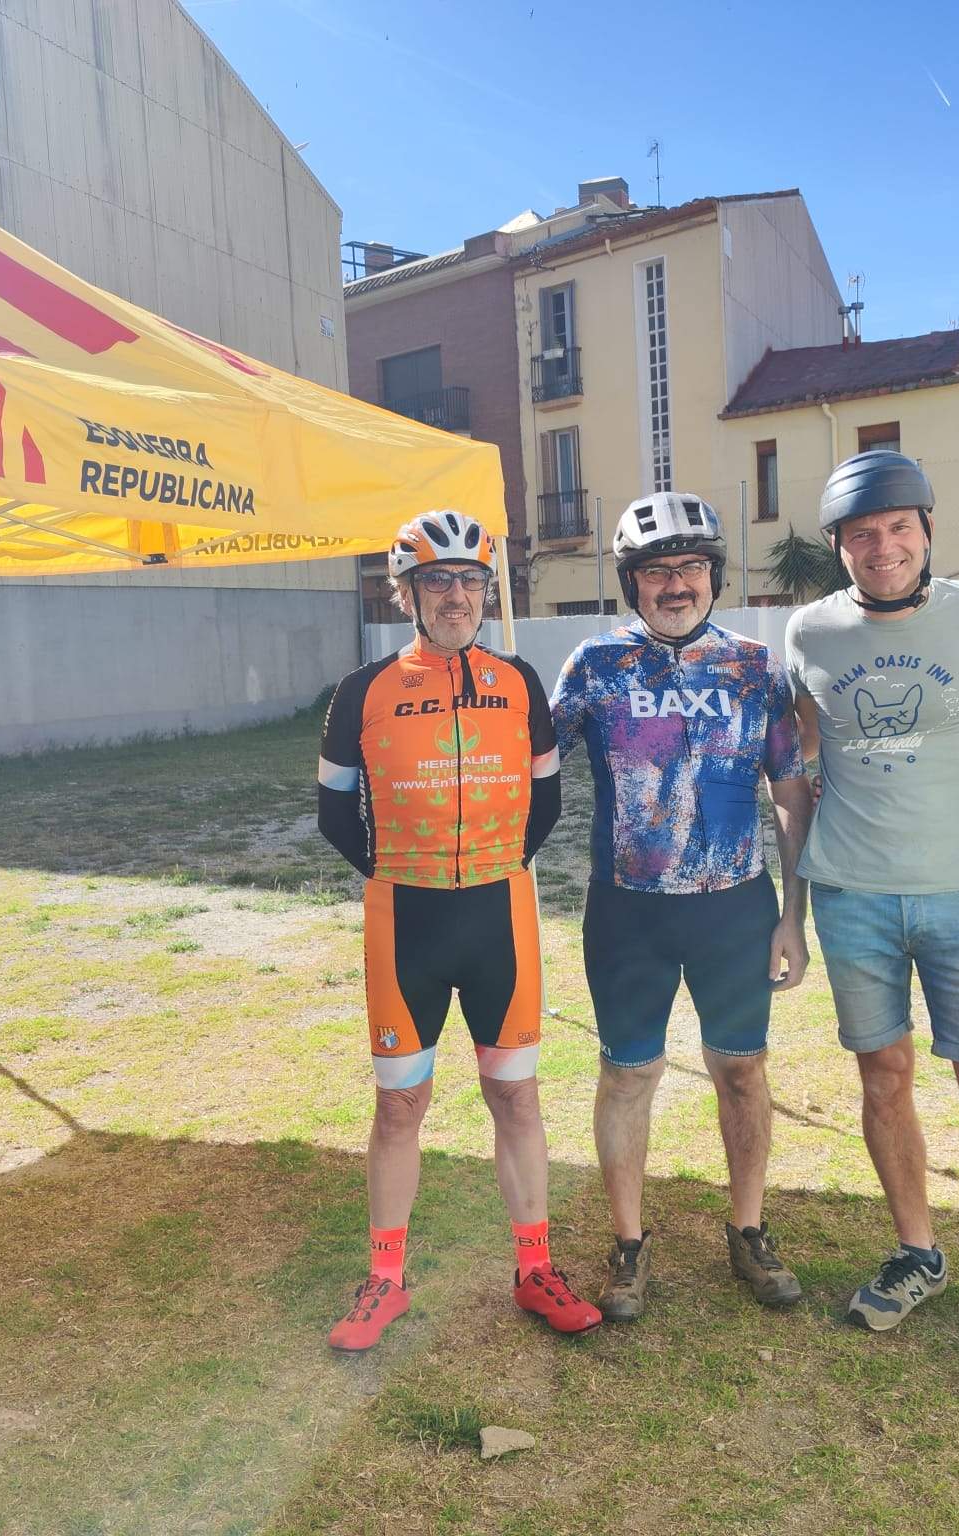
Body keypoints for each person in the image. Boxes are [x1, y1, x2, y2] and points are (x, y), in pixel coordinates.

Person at [783, 449, 959, 1378]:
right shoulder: (807, 633)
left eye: (900, 527)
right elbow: (808, 753)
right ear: (839, 547)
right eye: (863, 533)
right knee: (884, 1079)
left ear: (928, 531)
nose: (884, 546)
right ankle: (917, 1251)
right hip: (850, 896)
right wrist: (793, 905)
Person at [315, 511, 599, 1351]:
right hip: (404, 914)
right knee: (400, 1104)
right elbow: (335, 813)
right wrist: (400, 867)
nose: (457, 597)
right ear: (405, 592)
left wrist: (491, 862)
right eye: (437, 581)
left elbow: (546, 802)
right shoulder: (362, 691)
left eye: (471, 580)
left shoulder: (518, 682)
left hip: (499, 913)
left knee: (515, 1094)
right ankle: (385, 1279)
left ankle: (535, 1266)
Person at [547, 492, 814, 1322]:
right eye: (657, 570)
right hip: (628, 911)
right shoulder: (593, 666)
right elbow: (525, 766)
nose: (676, 584)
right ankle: (629, 1244)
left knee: (742, 1070)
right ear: (632, 583)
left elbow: (790, 795)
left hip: (735, 906)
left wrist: (792, 918)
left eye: (691, 568)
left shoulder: (753, 667)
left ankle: (748, 1229)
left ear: (713, 576)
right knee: (629, 1074)